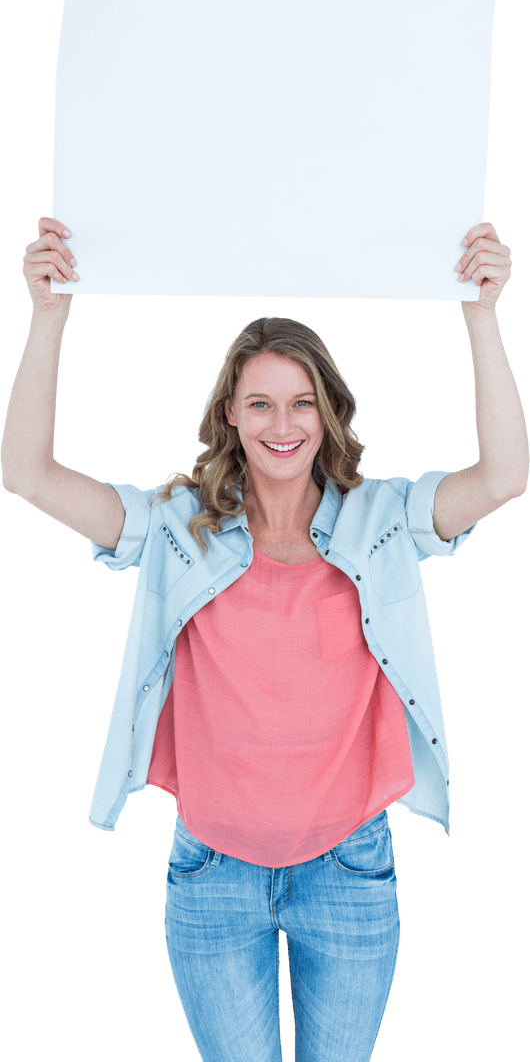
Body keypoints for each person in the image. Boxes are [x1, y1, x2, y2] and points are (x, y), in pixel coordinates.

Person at [2, 216, 527, 1062]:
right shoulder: (181, 530)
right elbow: (27, 474)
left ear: (327, 412)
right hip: (213, 879)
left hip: (349, 872)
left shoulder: (381, 519)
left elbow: (504, 477)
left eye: (301, 402)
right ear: (231, 417)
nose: (283, 424)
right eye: (260, 403)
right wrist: (48, 315)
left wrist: (481, 314)